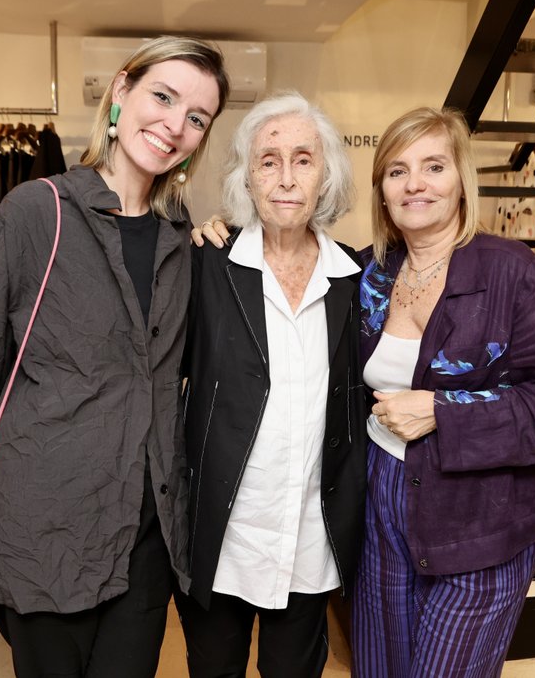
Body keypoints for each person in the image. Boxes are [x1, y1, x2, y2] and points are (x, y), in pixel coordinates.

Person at [0, 36, 229, 678]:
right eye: (163, 97)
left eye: (196, 117)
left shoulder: (182, 238)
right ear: (121, 90)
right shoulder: (35, 213)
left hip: (147, 526)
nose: (174, 125)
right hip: (48, 518)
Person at [349, 106, 535, 677]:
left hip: (482, 518)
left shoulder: (514, 273)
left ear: (462, 179)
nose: (415, 184)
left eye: (434, 167)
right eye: (397, 171)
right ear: (382, 191)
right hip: (380, 506)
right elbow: (287, 264)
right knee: (380, 666)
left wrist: (442, 410)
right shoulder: (367, 272)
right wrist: (223, 235)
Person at [176, 91, 367, 678]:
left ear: (326, 175)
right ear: (247, 177)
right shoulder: (206, 263)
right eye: (268, 161)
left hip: (309, 539)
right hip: (223, 538)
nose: (285, 178)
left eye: (303, 160)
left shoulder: (355, 278)